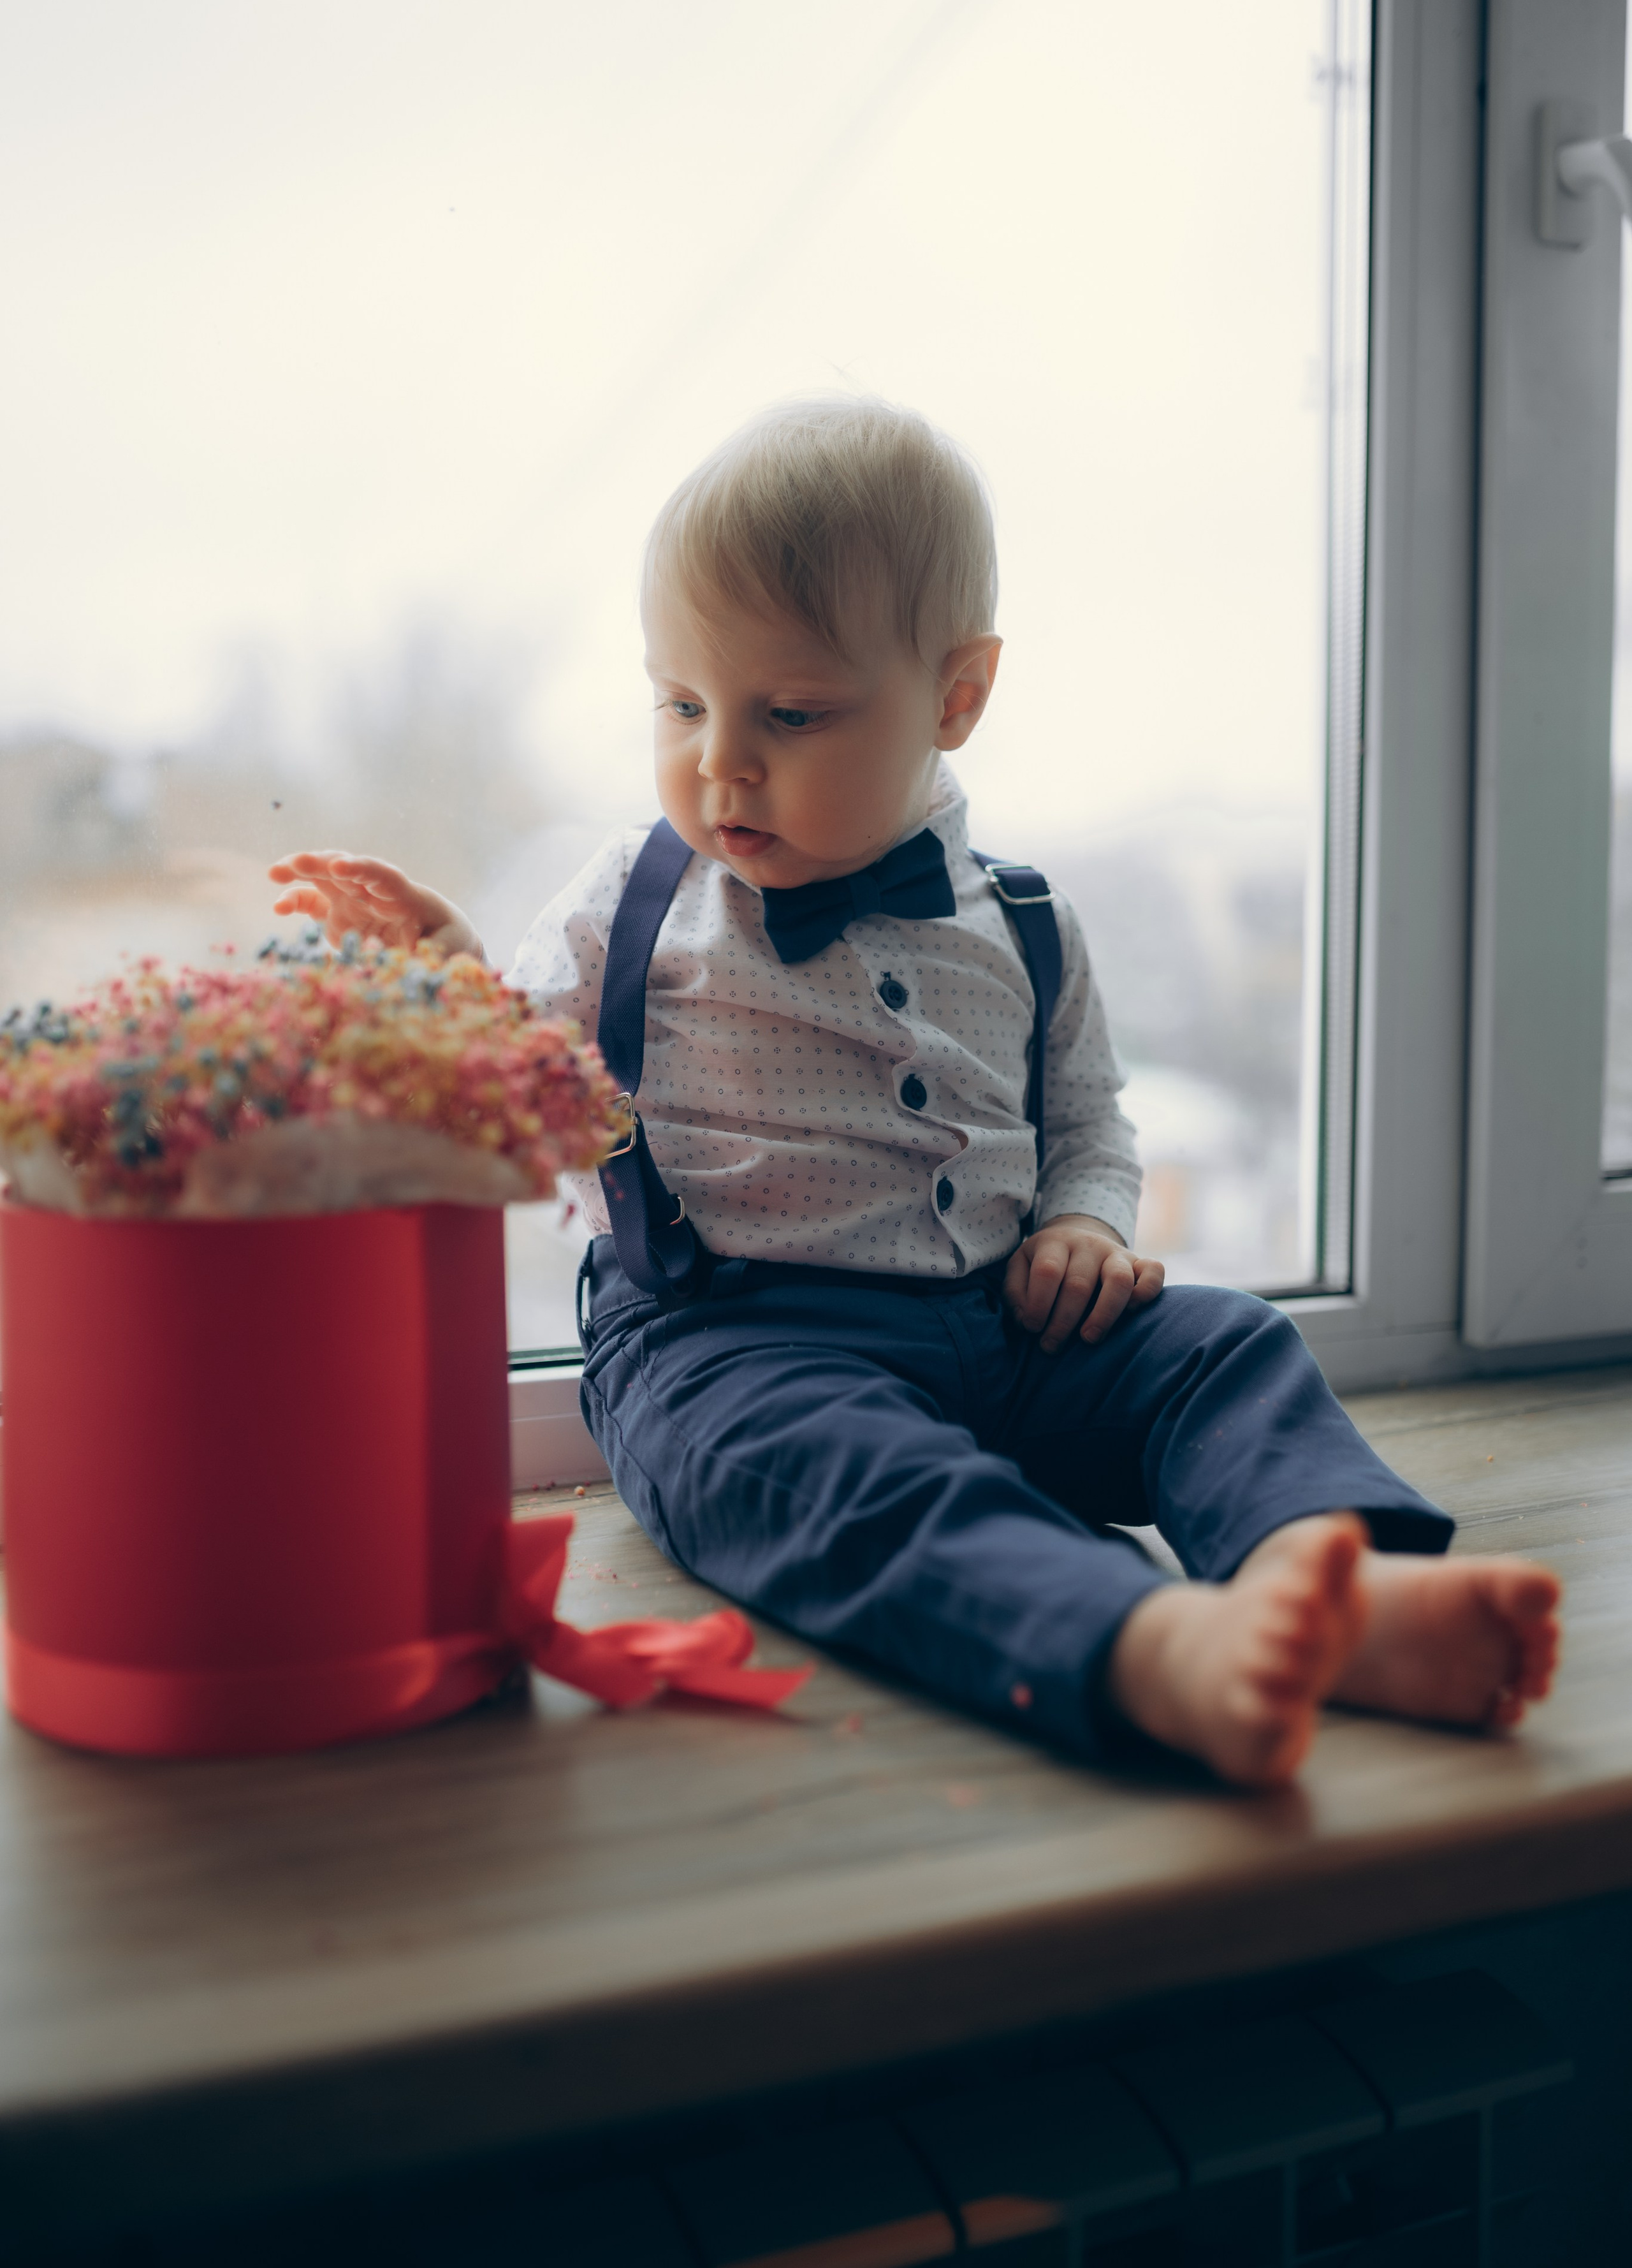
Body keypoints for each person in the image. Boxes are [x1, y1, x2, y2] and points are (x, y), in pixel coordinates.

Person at [269, 397, 1560, 1785]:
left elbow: (1087, 1120)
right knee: (861, 1493)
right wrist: (450, 979)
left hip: (1006, 1335)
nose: (720, 762)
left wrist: (1083, 1225)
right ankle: (1147, 1651)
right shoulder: (627, 906)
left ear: (954, 697)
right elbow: (522, 1079)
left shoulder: (1019, 921)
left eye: (789, 712)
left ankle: (1332, 1580)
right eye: (683, 703)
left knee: (1221, 1345)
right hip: (732, 1349)